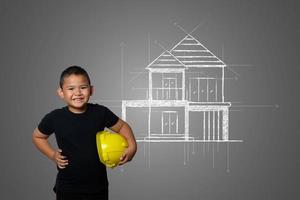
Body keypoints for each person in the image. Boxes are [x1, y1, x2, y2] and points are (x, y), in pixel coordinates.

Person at [32, 66, 137, 200]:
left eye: (83, 87)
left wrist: (132, 146)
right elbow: (37, 136)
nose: (78, 93)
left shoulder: (100, 112)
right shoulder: (55, 117)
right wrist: (52, 154)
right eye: (71, 89)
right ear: (61, 92)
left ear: (91, 90)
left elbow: (122, 126)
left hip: (98, 187)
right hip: (67, 187)